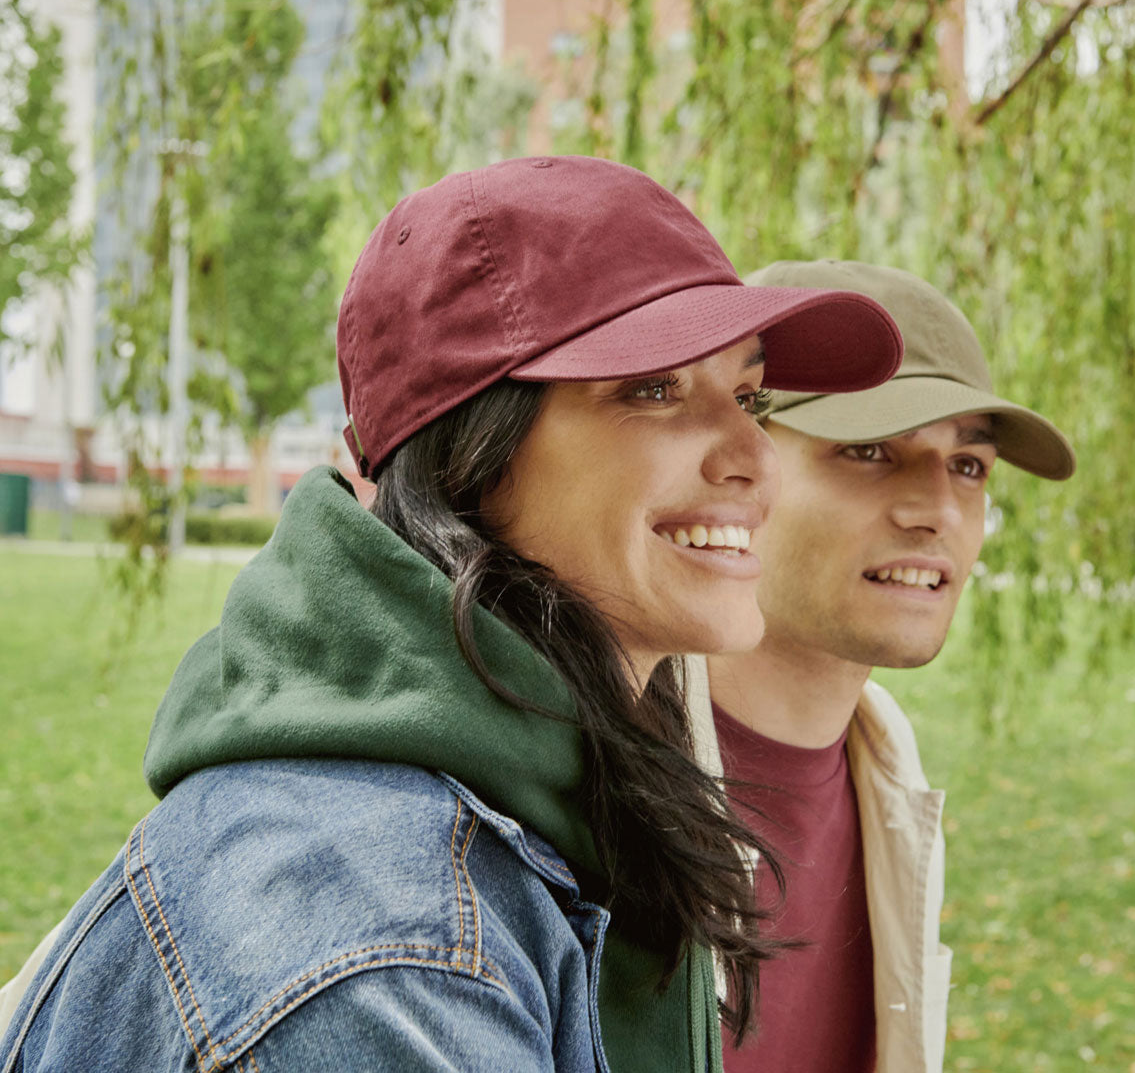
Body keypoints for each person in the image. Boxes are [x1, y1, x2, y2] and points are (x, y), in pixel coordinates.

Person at [0, 160, 902, 1072]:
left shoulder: (579, 780)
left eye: (748, 396)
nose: (756, 457)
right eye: (655, 390)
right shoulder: (383, 942)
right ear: (471, 455)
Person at [687, 259, 1075, 1073]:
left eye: (967, 465)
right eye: (867, 449)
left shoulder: (889, 780)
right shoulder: (589, 785)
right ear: (735, 463)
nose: (934, 508)